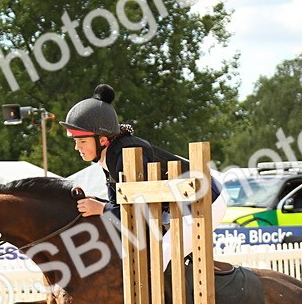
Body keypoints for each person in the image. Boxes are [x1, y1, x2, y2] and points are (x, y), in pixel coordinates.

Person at [65, 83, 227, 268]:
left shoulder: (125, 154)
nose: (77, 147)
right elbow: (121, 206)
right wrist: (101, 204)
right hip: (176, 209)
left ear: (102, 140)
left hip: (204, 203)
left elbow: (138, 210)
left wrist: (102, 208)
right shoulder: (108, 157)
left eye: (82, 141)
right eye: (76, 141)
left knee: (160, 257)